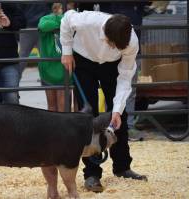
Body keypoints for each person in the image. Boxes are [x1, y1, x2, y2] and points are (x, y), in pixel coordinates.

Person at [60, 10, 147, 192]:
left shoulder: (131, 42)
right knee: (87, 118)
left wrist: (116, 110)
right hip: (83, 60)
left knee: (120, 114)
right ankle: (91, 174)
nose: (113, 47)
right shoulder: (87, 21)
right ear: (105, 33)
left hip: (111, 66)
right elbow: (66, 18)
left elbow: (125, 78)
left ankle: (122, 167)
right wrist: (67, 51)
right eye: (111, 43)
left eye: (117, 46)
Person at [38, 3, 74, 112]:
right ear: (56, 9)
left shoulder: (73, 20)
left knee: (63, 105)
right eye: (67, 8)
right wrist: (63, 21)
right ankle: (53, 129)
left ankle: (63, 128)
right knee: (52, 106)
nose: (70, 12)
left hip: (64, 69)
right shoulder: (46, 18)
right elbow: (43, 26)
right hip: (48, 69)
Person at [18, 3, 51, 80]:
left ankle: (15, 79)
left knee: (23, 55)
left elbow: (19, 8)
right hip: (43, 25)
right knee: (44, 55)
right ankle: (46, 78)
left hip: (27, 27)